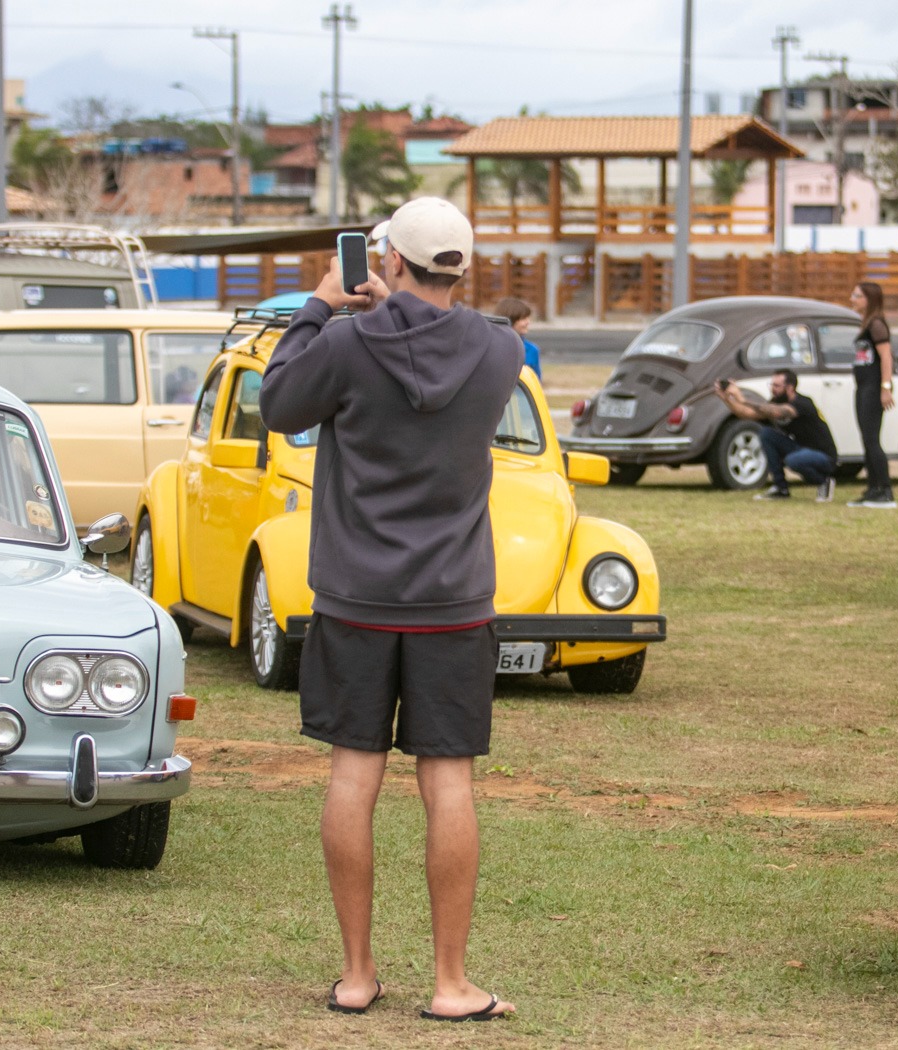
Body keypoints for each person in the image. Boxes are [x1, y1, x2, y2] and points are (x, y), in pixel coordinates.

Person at [259, 197, 521, 1023]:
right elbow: (449, 334)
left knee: (352, 776)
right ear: (462, 267)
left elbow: (280, 404)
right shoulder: (502, 350)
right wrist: (398, 305)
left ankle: (357, 975)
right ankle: (451, 983)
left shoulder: (342, 340)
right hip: (453, 600)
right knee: (448, 785)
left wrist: (323, 305)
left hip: (355, 598)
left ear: (390, 261)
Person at [714, 368, 838, 501]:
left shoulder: (803, 403)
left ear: (790, 387)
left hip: (823, 455)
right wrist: (727, 399)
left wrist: (742, 399)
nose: (773, 388)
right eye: (772, 384)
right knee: (766, 434)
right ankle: (781, 488)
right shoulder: (777, 400)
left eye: (777, 385)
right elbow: (747, 414)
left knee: (793, 460)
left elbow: (779, 412)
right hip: (800, 448)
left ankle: (824, 481)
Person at [847, 281, 898, 509]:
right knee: (866, 439)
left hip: (873, 388)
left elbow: (886, 357)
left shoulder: (877, 324)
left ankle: (885, 490)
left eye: (857, 295)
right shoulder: (866, 323)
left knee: (872, 439)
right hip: (863, 387)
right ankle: (872, 488)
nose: (852, 298)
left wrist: (885, 387)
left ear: (869, 299)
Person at [493, 297, 542, 379]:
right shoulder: (492, 348)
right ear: (509, 320)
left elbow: (536, 382)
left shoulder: (532, 350)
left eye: (528, 318)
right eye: (523, 318)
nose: (528, 322)